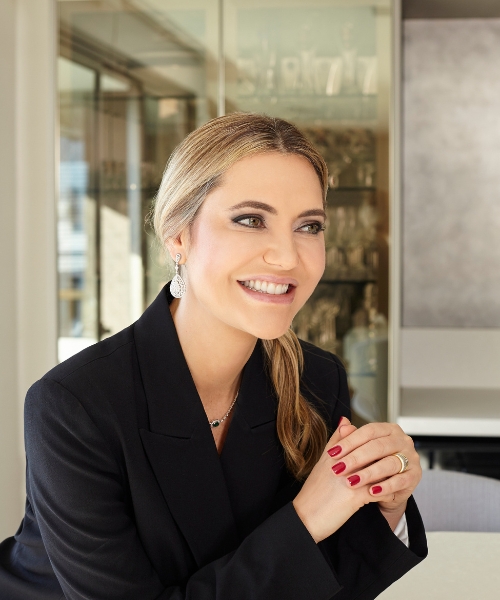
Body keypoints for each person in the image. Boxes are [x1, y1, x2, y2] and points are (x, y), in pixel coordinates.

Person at [0, 113, 427, 600]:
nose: (287, 257)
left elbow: (322, 582)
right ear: (178, 236)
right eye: (250, 220)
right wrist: (307, 517)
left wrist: (386, 503)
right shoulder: (74, 406)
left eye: (309, 226)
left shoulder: (316, 379)